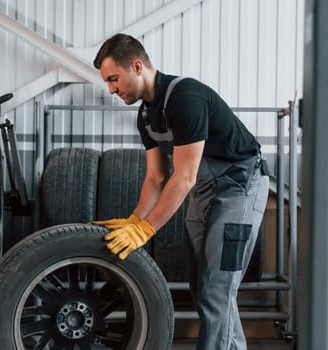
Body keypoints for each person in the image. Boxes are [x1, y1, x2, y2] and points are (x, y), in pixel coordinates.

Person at [91, 33, 269, 350]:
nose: (111, 89)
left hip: (241, 186)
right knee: (202, 285)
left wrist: (146, 229)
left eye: (114, 79)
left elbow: (182, 177)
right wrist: (134, 221)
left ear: (136, 66)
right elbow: (156, 178)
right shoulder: (146, 116)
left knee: (218, 286)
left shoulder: (185, 97)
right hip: (205, 188)